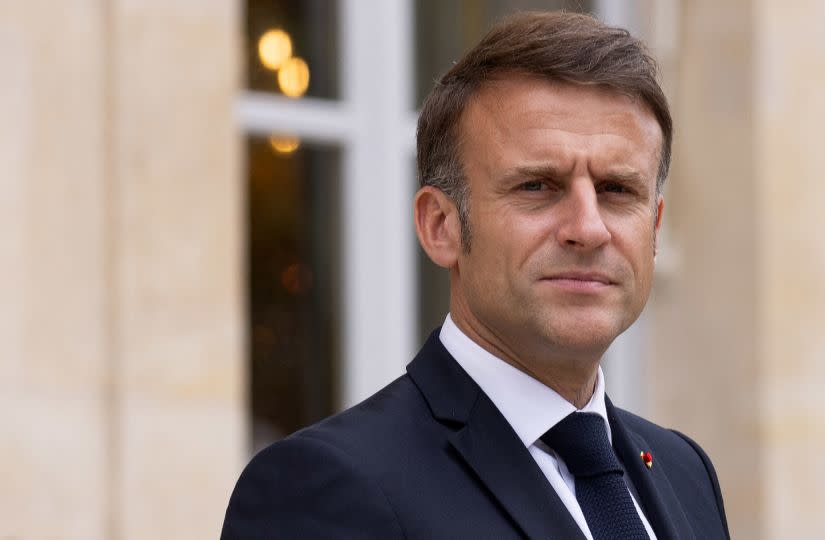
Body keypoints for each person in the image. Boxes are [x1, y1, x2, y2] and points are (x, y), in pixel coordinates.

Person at [222, 11, 729, 540]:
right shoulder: (322, 487)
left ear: (654, 228)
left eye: (617, 190)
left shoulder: (685, 472)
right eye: (537, 186)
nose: (588, 228)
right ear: (440, 226)